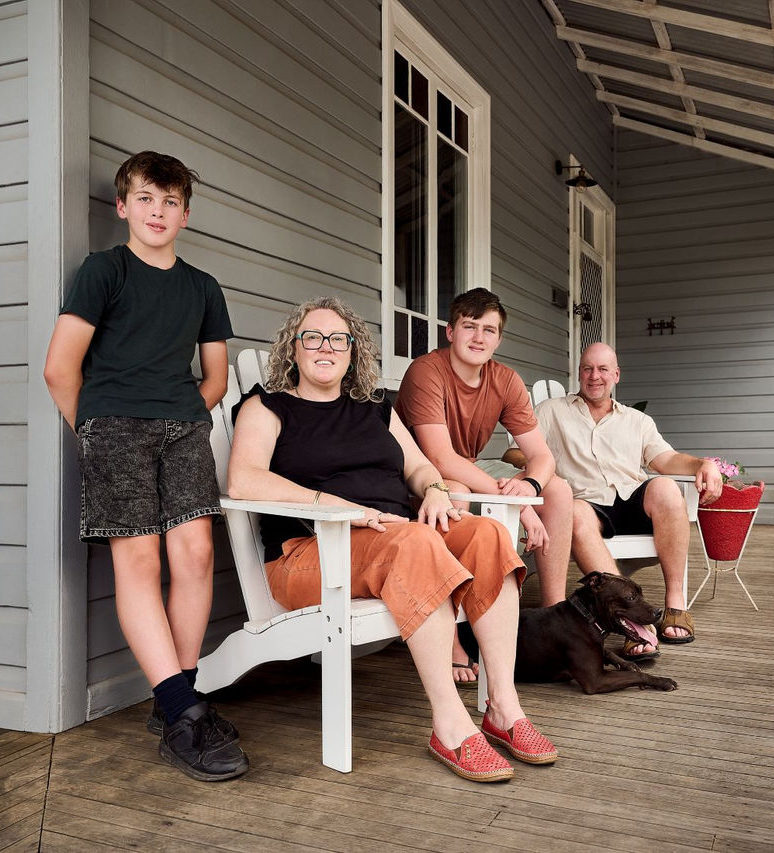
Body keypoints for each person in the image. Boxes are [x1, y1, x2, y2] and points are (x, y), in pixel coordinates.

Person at [226, 296, 557, 782]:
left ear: (353, 350)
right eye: (313, 337)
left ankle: (504, 708)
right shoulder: (268, 406)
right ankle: (449, 725)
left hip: (396, 540)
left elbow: (420, 465)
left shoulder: (375, 408)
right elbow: (243, 480)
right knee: (417, 543)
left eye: (339, 339)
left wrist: (436, 491)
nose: (326, 347)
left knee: (485, 533)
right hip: (312, 554)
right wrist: (338, 508)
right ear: (291, 349)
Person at [43, 151, 246, 781]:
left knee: (195, 556)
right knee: (140, 561)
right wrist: (98, 431)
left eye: (171, 202)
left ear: (186, 213)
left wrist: (183, 415)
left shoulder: (202, 287)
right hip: (114, 426)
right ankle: (186, 714)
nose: (158, 212)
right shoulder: (103, 271)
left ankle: (175, 697)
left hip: (181, 428)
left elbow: (215, 376)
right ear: (123, 206)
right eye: (146, 199)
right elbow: (59, 368)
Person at [395, 288, 574, 681]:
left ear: (499, 338)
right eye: (469, 327)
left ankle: (555, 619)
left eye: (489, 330)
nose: (479, 337)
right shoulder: (426, 371)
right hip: (418, 475)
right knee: (455, 487)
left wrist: (530, 485)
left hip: (470, 469)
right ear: (450, 332)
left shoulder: (505, 379)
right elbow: (439, 458)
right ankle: (454, 637)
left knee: (557, 489)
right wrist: (522, 508)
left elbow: (542, 457)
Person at [513, 342, 724, 656]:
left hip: (631, 497)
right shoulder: (552, 411)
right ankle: (634, 626)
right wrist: (539, 463)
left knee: (666, 487)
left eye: (602, 369)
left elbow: (665, 459)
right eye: (587, 369)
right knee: (577, 513)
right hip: (585, 502)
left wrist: (703, 464)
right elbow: (516, 451)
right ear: (579, 373)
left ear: (616, 375)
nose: (594, 376)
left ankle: (675, 605)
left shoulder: (636, 421)